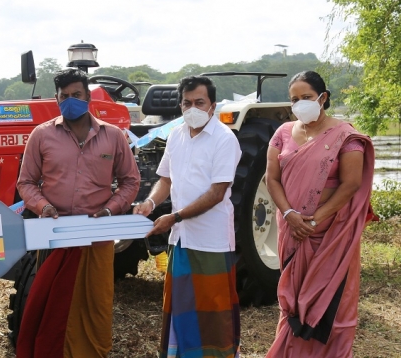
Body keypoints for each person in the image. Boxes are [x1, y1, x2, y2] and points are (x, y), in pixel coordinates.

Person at [15, 68, 140, 357]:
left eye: (77, 95)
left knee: (96, 303)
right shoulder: (41, 135)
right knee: (51, 305)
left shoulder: (113, 136)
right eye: (64, 96)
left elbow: (131, 181)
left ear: (88, 98)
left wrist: (111, 210)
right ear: (57, 99)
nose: (71, 100)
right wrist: (42, 206)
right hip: (55, 234)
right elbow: (26, 182)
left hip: (97, 233)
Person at [265, 70, 375, 357]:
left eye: (307, 97)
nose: (300, 103)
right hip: (292, 231)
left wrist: (316, 220)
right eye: (294, 99)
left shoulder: (345, 135)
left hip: (331, 233)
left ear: (323, 97)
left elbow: (350, 184)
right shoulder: (282, 134)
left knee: (331, 306)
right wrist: (290, 214)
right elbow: (271, 179)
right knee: (293, 300)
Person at [134, 75, 241, 358]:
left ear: (212, 105)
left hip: (211, 241)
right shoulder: (176, 135)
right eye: (187, 102)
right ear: (180, 105)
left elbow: (217, 193)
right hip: (180, 239)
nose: (192, 107)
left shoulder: (224, 139)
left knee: (213, 316)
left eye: (199, 102)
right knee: (180, 307)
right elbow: (165, 181)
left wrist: (175, 216)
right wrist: (150, 202)